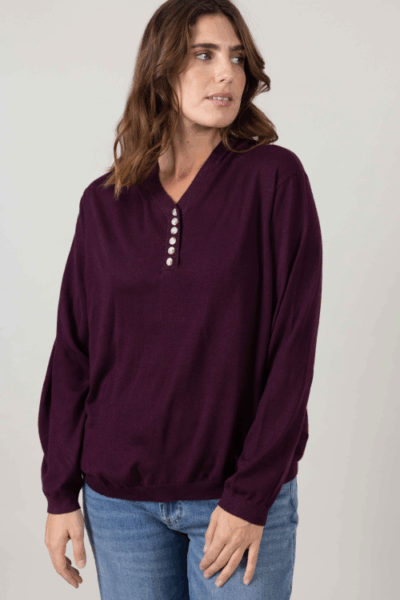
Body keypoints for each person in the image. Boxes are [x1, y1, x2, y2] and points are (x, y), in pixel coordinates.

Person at [38, 0, 323, 598]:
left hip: (236, 498)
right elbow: (73, 352)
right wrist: (60, 491)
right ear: (160, 70)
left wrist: (250, 496)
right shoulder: (104, 202)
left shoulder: (275, 179)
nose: (226, 74)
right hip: (119, 504)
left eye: (237, 58)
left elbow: (292, 351)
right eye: (203, 55)